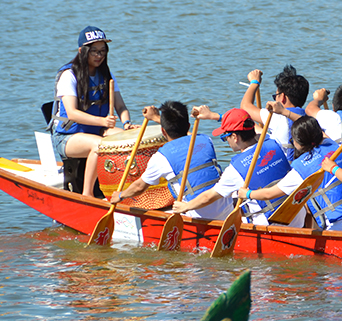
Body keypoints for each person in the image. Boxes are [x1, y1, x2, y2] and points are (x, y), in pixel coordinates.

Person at [238, 115, 342, 232]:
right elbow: (315, 130)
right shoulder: (333, 145)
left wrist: (247, 194)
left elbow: (270, 193)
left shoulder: (300, 168)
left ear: (297, 141)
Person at [172, 107, 303, 227]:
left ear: (234, 137)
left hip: (273, 224)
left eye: (224, 137)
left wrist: (186, 206)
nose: (226, 141)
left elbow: (209, 197)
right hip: (297, 214)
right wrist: (214, 116)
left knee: (234, 199)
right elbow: (252, 127)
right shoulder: (274, 141)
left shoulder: (234, 170)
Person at [50, 26, 137, 198]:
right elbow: (73, 113)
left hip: (97, 130)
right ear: (82, 51)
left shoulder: (106, 74)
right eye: (94, 51)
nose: (99, 56)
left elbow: (121, 107)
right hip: (66, 137)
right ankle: (88, 195)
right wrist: (103, 122)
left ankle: (122, 189)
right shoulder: (69, 75)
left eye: (103, 51)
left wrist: (127, 124)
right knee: (99, 145)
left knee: (131, 141)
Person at [109, 102, 231, 220]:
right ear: (188, 126)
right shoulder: (206, 140)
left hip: (198, 215)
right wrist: (157, 118)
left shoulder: (161, 157)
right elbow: (190, 136)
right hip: (226, 210)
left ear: (163, 131)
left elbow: (139, 187)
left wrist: (120, 195)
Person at [240, 65, 309, 159]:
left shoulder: (278, 117)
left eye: (276, 95)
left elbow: (245, 107)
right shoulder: (309, 117)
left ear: (283, 97)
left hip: (284, 168)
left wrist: (254, 83)